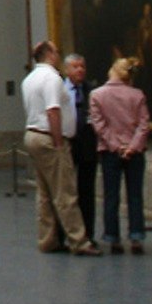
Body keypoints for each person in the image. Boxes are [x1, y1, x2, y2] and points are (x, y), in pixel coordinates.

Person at [20, 40, 102, 256]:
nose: (58, 54)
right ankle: (79, 241)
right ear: (49, 54)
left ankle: (47, 239)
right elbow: (53, 111)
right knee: (64, 192)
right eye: (56, 51)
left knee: (45, 193)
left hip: (33, 134)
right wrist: (58, 142)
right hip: (49, 138)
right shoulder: (51, 78)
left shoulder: (29, 79)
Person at [89, 56, 149, 254]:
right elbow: (143, 125)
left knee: (111, 195)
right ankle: (136, 236)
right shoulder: (137, 95)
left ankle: (113, 237)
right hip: (135, 152)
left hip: (110, 152)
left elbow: (99, 126)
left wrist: (116, 146)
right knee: (135, 195)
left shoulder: (97, 95)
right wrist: (132, 147)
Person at [63, 53, 97, 241]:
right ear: (67, 69)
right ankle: (66, 233)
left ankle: (88, 233)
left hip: (87, 146)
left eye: (82, 66)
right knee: (65, 191)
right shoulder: (60, 90)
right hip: (67, 143)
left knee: (87, 191)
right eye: (75, 67)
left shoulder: (92, 90)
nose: (80, 70)